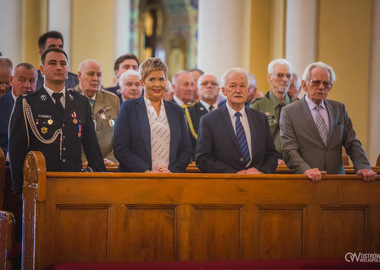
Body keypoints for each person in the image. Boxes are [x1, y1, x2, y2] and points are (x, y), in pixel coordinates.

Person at [8, 48, 105, 195]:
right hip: (41, 185)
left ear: (67, 69)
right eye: (52, 63)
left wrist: (100, 178)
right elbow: (17, 151)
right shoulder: (27, 103)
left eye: (63, 64)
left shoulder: (80, 102)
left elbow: (91, 146)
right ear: (42, 69)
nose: (59, 67)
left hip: (73, 183)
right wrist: (22, 190)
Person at [280, 61, 377, 182]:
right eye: (316, 82)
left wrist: (363, 167)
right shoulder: (289, 112)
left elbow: (352, 143)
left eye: (326, 83)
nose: (321, 87)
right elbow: (289, 149)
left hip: (337, 181)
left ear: (331, 87)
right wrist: (306, 169)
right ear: (304, 85)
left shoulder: (339, 109)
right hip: (306, 181)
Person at [114, 57, 192, 173]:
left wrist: (171, 171)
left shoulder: (177, 111)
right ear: (142, 82)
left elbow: (186, 150)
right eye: (152, 79)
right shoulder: (128, 108)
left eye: (161, 79)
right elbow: (120, 148)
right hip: (137, 178)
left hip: (170, 178)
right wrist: (147, 172)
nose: (157, 84)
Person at [195, 67, 278, 174]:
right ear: (224, 91)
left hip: (257, 182)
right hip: (225, 183)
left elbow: (271, 155)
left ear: (248, 90)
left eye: (242, 86)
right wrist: (233, 174)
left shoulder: (260, 119)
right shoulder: (209, 120)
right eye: (233, 86)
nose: (238, 90)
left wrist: (261, 172)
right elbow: (202, 159)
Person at [250, 58, 297, 163]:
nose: (285, 79)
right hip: (267, 163)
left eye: (288, 76)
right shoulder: (258, 105)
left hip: (294, 163)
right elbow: (254, 141)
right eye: (280, 75)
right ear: (269, 77)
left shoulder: (297, 105)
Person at [74, 59, 120, 164]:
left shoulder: (113, 100)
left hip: (107, 166)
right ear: (79, 76)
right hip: (78, 166)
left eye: (99, 75)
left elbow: (119, 137)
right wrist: (86, 161)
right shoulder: (69, 98)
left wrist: (111, 159)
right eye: (91, 74)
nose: (95, 78)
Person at [0, 63, 37, 157]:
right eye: (22, 80)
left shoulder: (41, 107)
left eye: (32, 81)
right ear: (11, 80)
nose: (27, 85)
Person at [185, 73, 220, 157]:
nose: (209, 86)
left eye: (213, 84)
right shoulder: (187, 112)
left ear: (219, 90)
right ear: (197, 90)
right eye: (204, 83)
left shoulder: (226, 111)